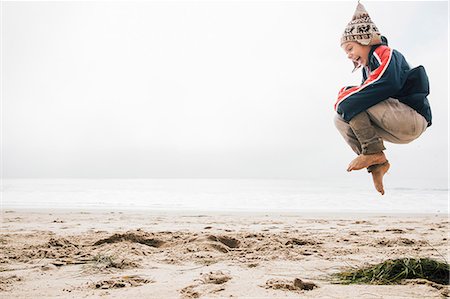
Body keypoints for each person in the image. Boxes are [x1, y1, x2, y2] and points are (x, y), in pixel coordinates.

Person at [334, 2, 432, 195]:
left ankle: (373, 152)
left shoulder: (385, 53)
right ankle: (377, 162)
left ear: (365, 40)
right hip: (396, 125)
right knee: (340, 117)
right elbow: (359, 98)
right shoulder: (368, 69)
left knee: (349, 101)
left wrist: (344, 98)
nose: (349, 56)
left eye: (350, 49)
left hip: (412, 118)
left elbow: (389, 83)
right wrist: (344, 101)